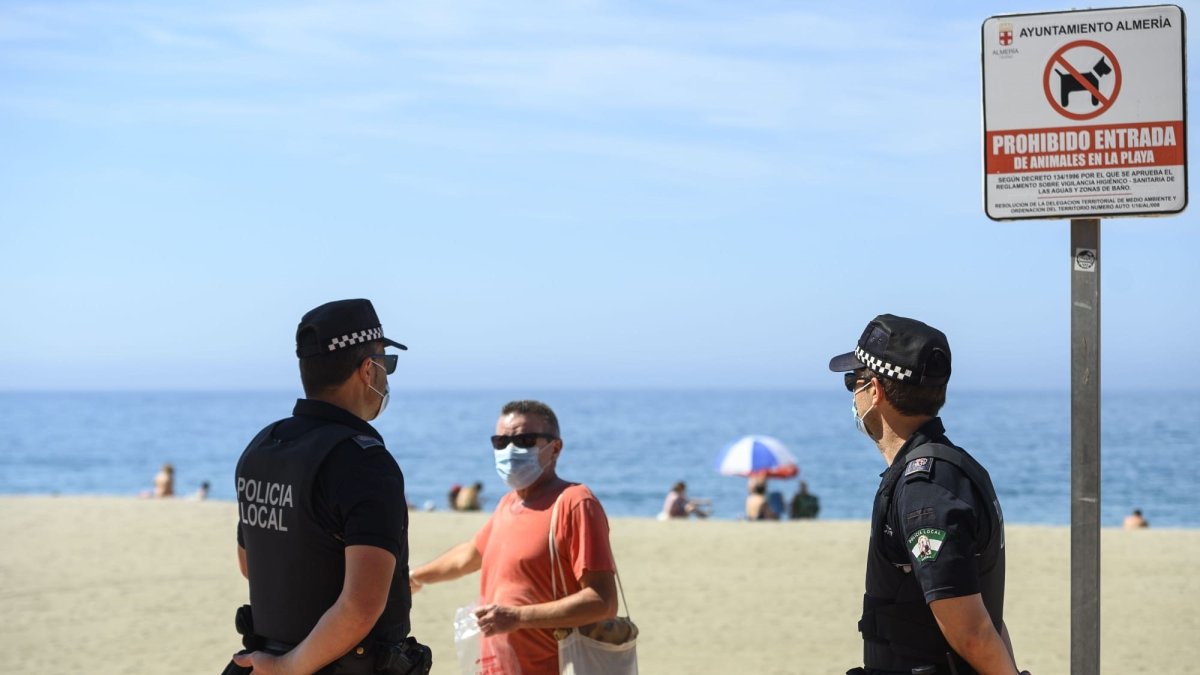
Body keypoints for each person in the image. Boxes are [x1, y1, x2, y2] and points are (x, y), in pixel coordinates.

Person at [228, 299, 430, 675]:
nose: (387, 376)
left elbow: (251, 565)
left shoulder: (263, 446)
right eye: (388, 364)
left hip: (260, 661)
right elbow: (361, 605)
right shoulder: (364, 461)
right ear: (369, 370)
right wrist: (289, 668)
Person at [830, 314, 1027, 675]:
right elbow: (981, 611)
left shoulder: (927, 490)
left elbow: (973, 633)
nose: (853, 396)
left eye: (852, 382)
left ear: (875, 391)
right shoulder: (950, 468)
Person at [409, 400, 618, 675]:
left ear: (555, 448)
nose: (510, 450)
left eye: (524, 440)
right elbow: (469, 556)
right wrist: (413, 577)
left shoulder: (575, 503)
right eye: (500, 441)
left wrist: (518, 617)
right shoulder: (508, 503)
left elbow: (603, 601)